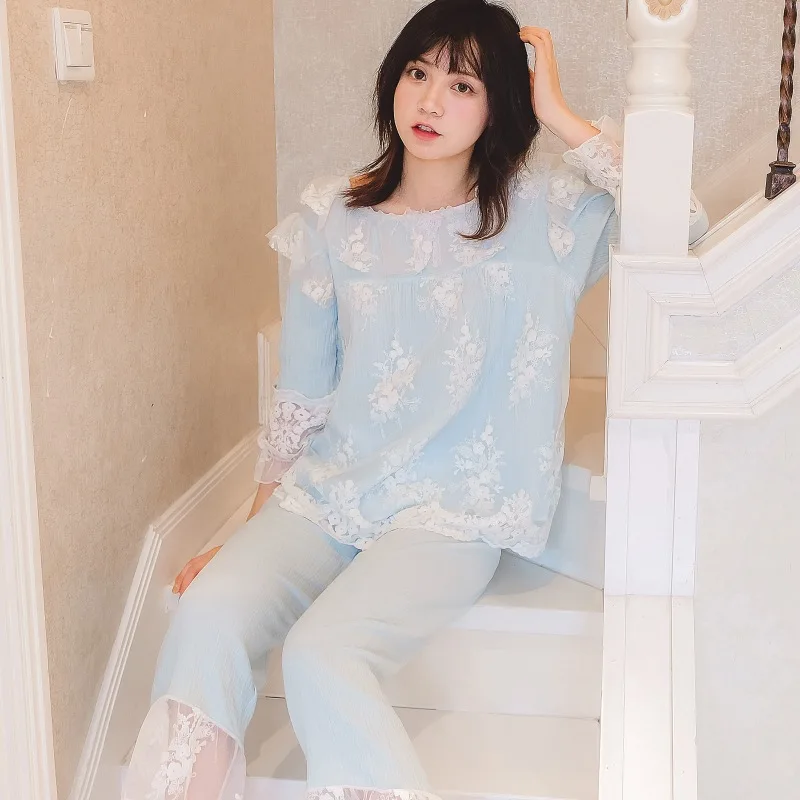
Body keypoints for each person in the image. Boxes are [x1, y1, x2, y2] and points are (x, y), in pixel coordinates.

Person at [122, 1, 709, 798]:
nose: (430, 100)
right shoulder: (334, 217)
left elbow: (682, 219)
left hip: (456, 511)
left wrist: (556, 111)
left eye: (464, 85)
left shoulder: (547, 214)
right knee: (210, 611)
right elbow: (301, 395)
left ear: (499, 104)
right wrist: (252, 534)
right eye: (418, 72)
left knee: (324, 653)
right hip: (334, 491)